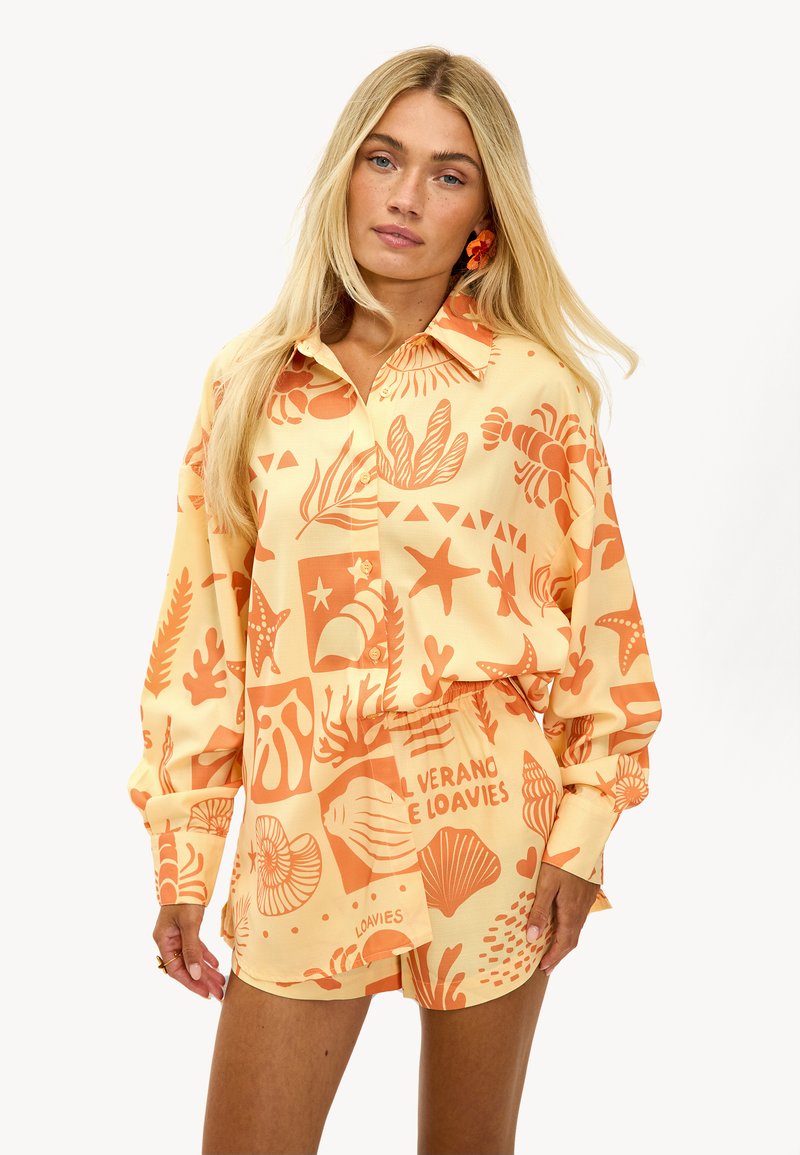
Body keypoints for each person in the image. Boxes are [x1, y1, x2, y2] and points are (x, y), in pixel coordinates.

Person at [127, 44, 663, 1155]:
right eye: (384, 159)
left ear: (485, 214)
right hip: (303, 840)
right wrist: (186, 853)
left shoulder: (535, 391)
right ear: (346, 173)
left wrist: (581, 834)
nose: (407, 196)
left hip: (492, 829)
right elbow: (203, 634)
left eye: (447, 173)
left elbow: (602, 631)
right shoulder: (250, 384)